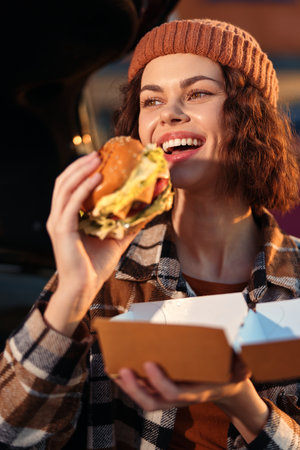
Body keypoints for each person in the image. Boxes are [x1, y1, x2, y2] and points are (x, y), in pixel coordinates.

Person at [1, 18, 300, 450]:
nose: (169, 113)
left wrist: (241, 401)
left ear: (251, 116)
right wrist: (73, 291)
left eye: (198, 93)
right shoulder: (104, 268)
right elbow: (12, 436)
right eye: (151, 100)